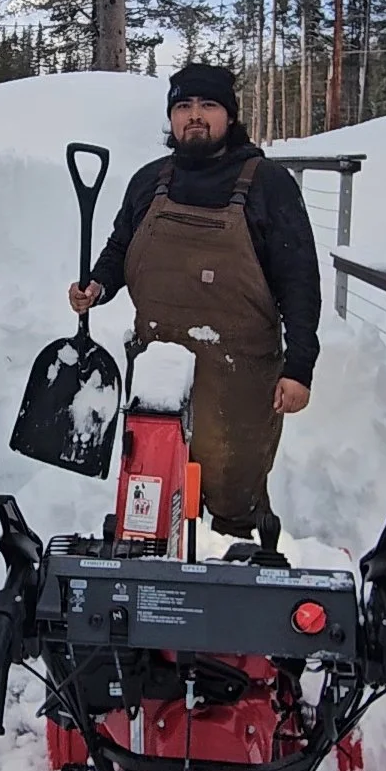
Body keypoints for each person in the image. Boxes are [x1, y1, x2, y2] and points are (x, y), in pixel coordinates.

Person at [68, 64, 321, 537]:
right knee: (151, 490)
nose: (195, 116)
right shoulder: (149, 181)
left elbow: (299, 281)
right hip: (158, 370)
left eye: (207, 105)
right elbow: (121, 247)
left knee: (234, 498)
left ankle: (237, 578)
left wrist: (299, 366)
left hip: (239, 378)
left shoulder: (268, 183)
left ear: (229, 114)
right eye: (183, 106)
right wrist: (98, 286)